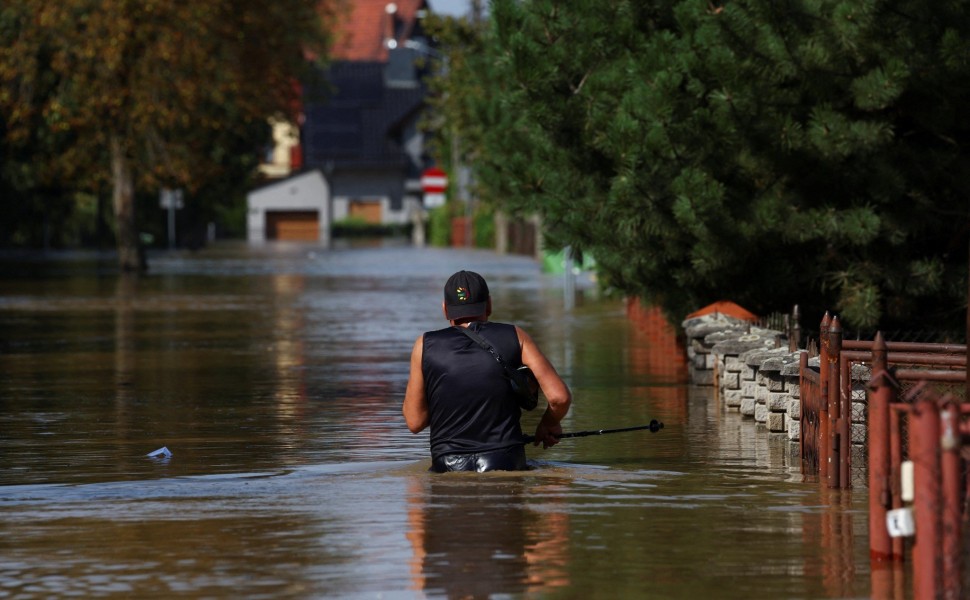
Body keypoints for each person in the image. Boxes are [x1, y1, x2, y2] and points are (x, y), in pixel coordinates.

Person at [403, 270, 572, 472]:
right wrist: (548, 423)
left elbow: (414, 422)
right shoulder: (515, 336)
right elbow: (559, 398)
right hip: (505, 461)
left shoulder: (424, 345)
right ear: (489, 304)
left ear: (445, 309)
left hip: (447, 467)